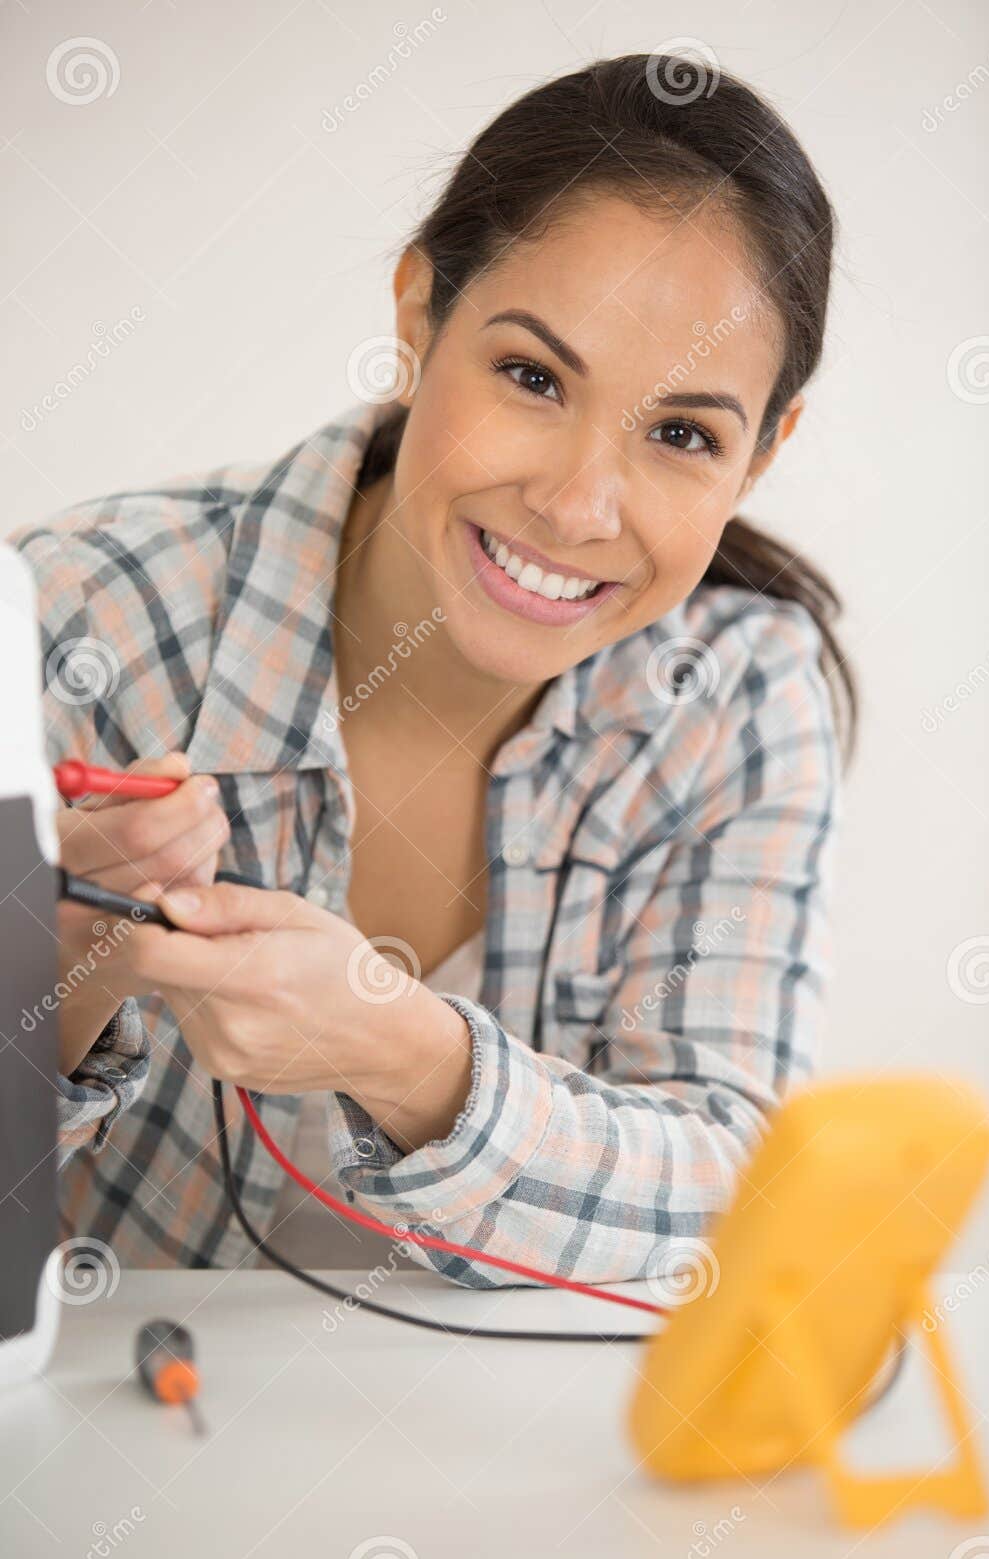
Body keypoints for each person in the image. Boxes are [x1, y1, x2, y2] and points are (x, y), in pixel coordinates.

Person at [11, 52, 856, 1284]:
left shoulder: (733, 697)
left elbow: (739, 1201)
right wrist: (52, 971)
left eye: (681, 434)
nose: (575, 506)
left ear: (763, 453)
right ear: (417, 318)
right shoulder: (74, 615)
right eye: (530, 377)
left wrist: (408, 1055)